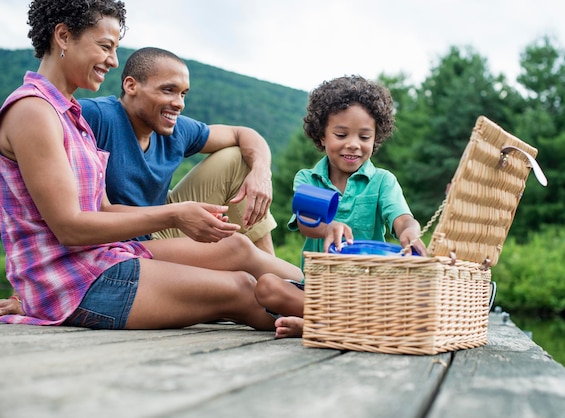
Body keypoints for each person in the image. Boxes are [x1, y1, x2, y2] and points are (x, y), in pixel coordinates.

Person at [0, 0, 301, 330]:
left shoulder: (72, 118)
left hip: (106, 257)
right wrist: (174, 214)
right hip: (71, 285)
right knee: (243, 288)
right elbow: (69, 228)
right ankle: (336, 317)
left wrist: (182, 211)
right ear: (63, 36)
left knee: (237, 247)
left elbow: (103, 209)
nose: (113, 61)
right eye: (105, 47)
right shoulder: (32, 111)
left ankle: (335, 294)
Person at [254, 75, 429, 338]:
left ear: (375, 139)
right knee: (266, 287)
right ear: (322, 136)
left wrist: (410, 232)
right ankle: (343, 323)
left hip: (368, 290)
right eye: (341, 134)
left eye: (364, 136)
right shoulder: (307, 177)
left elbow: (403, 219)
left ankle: (319, 325)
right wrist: (327, 228)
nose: (353, 144)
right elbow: (305, 222)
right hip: (318, 289)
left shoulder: (383, 181)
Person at [80, 46, 277, 254]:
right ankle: (281, 279)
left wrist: (261, 173)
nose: (179, 104)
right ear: (131, 86)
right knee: (238, 251)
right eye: (168, 90)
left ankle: (273, 273)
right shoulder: (96, 117)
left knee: (238, 158)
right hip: (116, 241)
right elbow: (92, 212)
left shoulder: (175, 128)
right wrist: (175, 213)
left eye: (183, 94)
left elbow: (241, 134)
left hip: (160, 228)